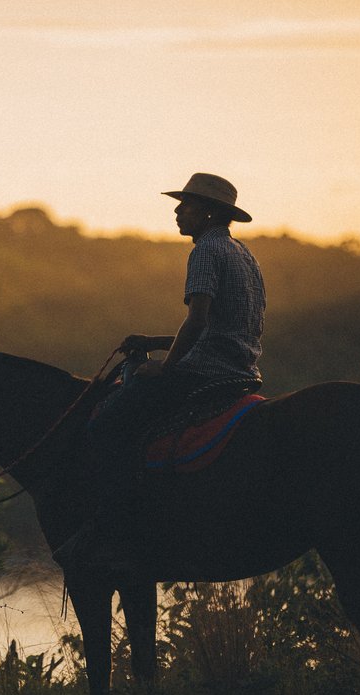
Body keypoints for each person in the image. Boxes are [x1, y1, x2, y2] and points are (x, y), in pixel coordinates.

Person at [65, 172, 266, 574]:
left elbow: (197, 320)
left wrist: (166, 366)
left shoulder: (205, 252)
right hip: (241, 371)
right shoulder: (244, 254)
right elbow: (221, 325)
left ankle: (113, 534)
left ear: (207, 213)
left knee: (106, 424)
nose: (177, 210)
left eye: (186, 204)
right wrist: (156, 341)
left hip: (204, 372)